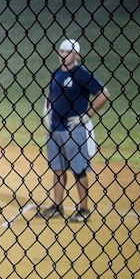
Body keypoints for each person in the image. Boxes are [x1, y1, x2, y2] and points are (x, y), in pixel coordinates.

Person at [41, 38, 108, 223]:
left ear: (76, 55)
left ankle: (84, 209)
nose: (63, 55)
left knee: (79, 170)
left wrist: (87, 115)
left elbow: (104, 93)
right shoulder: (56, 73)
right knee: (58, 169)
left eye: (68, 52)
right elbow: (51, 94)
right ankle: (57, 206)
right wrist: (47, 110)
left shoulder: (82, 74)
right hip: (55, 129)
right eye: (61, 51)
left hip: (73, 130)